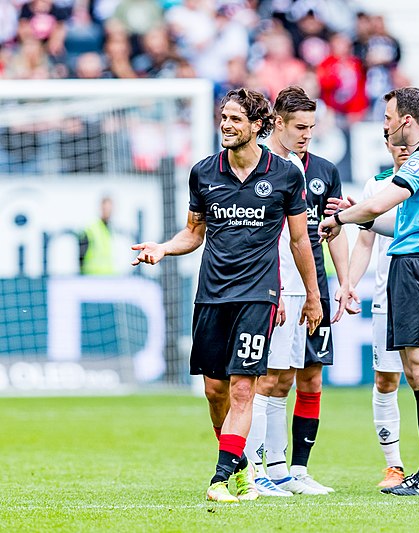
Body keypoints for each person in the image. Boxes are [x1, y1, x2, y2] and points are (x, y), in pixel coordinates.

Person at [131, 88, 322, 503]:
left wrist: (312, 295)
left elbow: (299, 241)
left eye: (235, 119)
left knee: (242, 389)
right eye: (223, 117)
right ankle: (237, 466)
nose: (226, 125)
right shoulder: (203, 173)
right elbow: (193, 233)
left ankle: (221, 477)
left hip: (259, 295)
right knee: (214, 391)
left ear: (258, 125)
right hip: (212, 294)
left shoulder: (286, 176)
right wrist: (163, 248)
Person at [319, 87, 419, 496]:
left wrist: (342, 218)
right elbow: (389, 221)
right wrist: (359, 219)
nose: (384, 125)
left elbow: (377, 205)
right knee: (414, 371)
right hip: (410, 266)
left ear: (407, 120)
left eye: (388, 118)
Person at [243, 86, 351, 497]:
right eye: (300, 127)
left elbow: (332, 229)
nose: (307, 134)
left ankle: (284, 469)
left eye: (312, 127)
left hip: (308, 284)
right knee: (266, 379)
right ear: (278, 124)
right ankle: (254, 469)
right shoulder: (263, 167)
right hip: (274, 285)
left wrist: (341, 283)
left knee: (293, 378)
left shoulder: (322, 170)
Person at [79, 196, 115, 275]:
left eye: (110, 209)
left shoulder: (110, 229)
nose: (108, 212)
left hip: (108, 276)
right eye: (105, 209)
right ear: (101, 208)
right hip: (92, 277)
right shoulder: (91, 229)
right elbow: (81, 255)